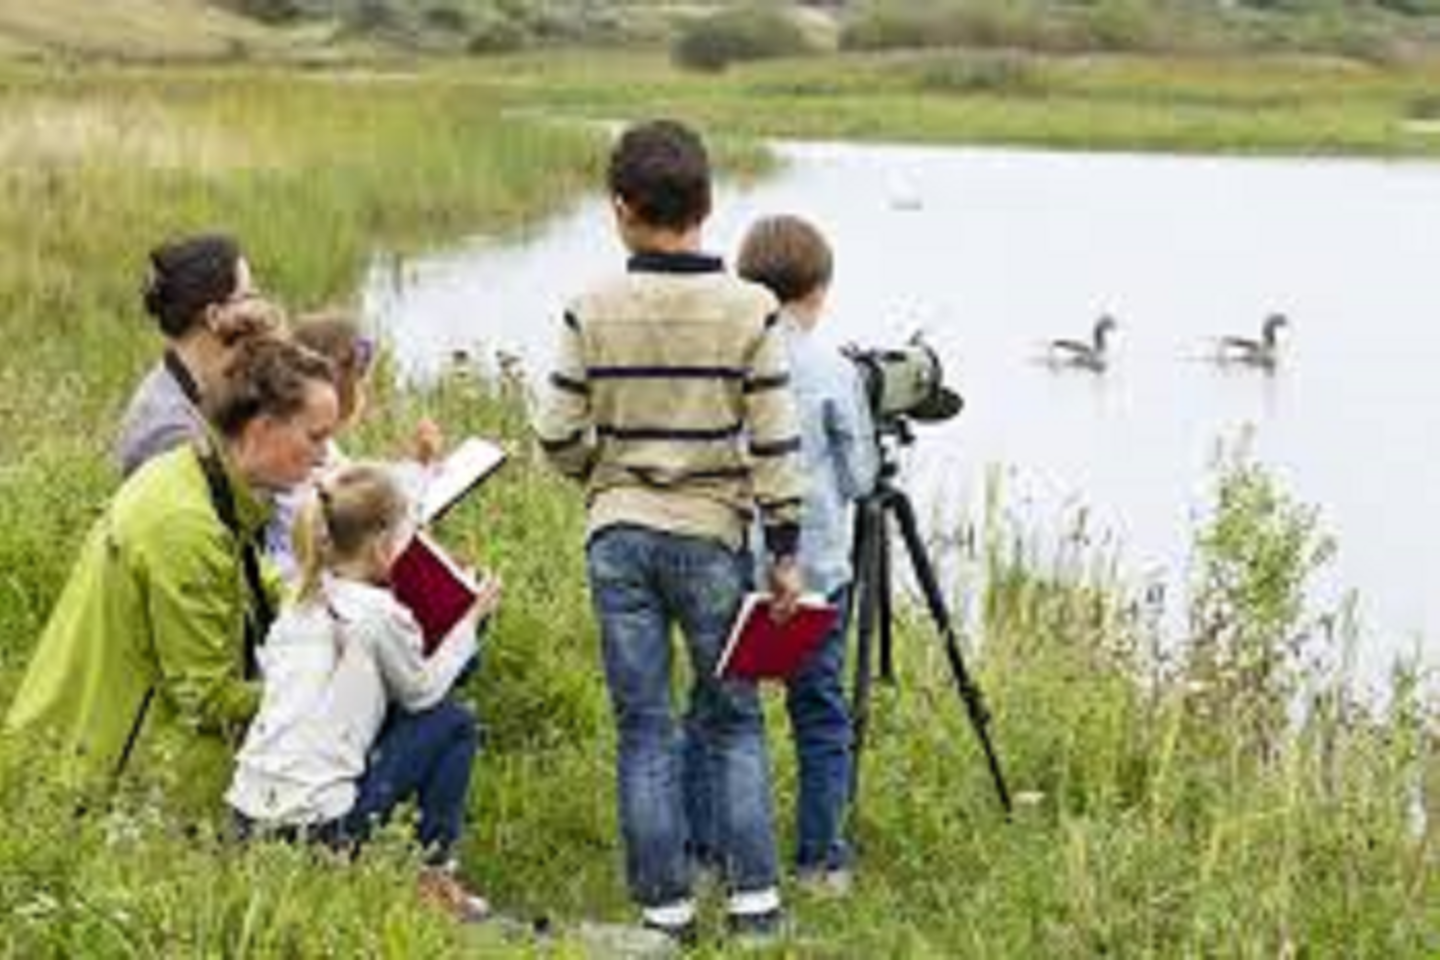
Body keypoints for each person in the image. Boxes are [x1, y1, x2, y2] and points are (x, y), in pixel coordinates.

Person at [533, 119, 806, 943]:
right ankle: (755, 907)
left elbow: (554, 434)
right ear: (710, 204)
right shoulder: (752, 310)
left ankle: (665, 912)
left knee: (644, 726)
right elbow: (776, 445)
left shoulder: (590, 306)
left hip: (618, 536)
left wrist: (607, 476)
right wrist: (785, 551)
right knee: (734, 719)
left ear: (620, 208)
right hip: (714, 535)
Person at [7, 337, 339, 807]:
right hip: (108, 780)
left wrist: (328, 605)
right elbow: (208, 701)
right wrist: (321, 687)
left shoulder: (194, 474)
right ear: (262, 428)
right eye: (315, 436)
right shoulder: (186, 526)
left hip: (79, 741)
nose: (326, 456)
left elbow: (250, 584)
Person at [227, 462, 499, 923]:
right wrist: (470, 620)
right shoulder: (378, 614)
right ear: (380, 545)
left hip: (246, 820)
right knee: (455, 721)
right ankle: (434, 875)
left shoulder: (297, 600)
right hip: (319, 827)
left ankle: (385, 868)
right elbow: (422, 694)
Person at [736, 214, 878, 893]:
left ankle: (713, 853)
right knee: (820, 713)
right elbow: (860, 479)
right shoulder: (832, 368)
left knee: (723, 711)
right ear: (820, 289)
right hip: (817, 571)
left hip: (735, 564)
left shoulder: (727, 358)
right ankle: (820, 861)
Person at [264, 312, 443, 583]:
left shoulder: (316, 444)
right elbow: (343, 511)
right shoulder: (296, 458)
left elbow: (351, 479)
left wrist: (417, 464)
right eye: (360, 382)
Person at [116, 232, 283, 478]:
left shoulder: (200, 387)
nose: (259, 306)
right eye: (249, 295)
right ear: (215, 316)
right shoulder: (168, 431)